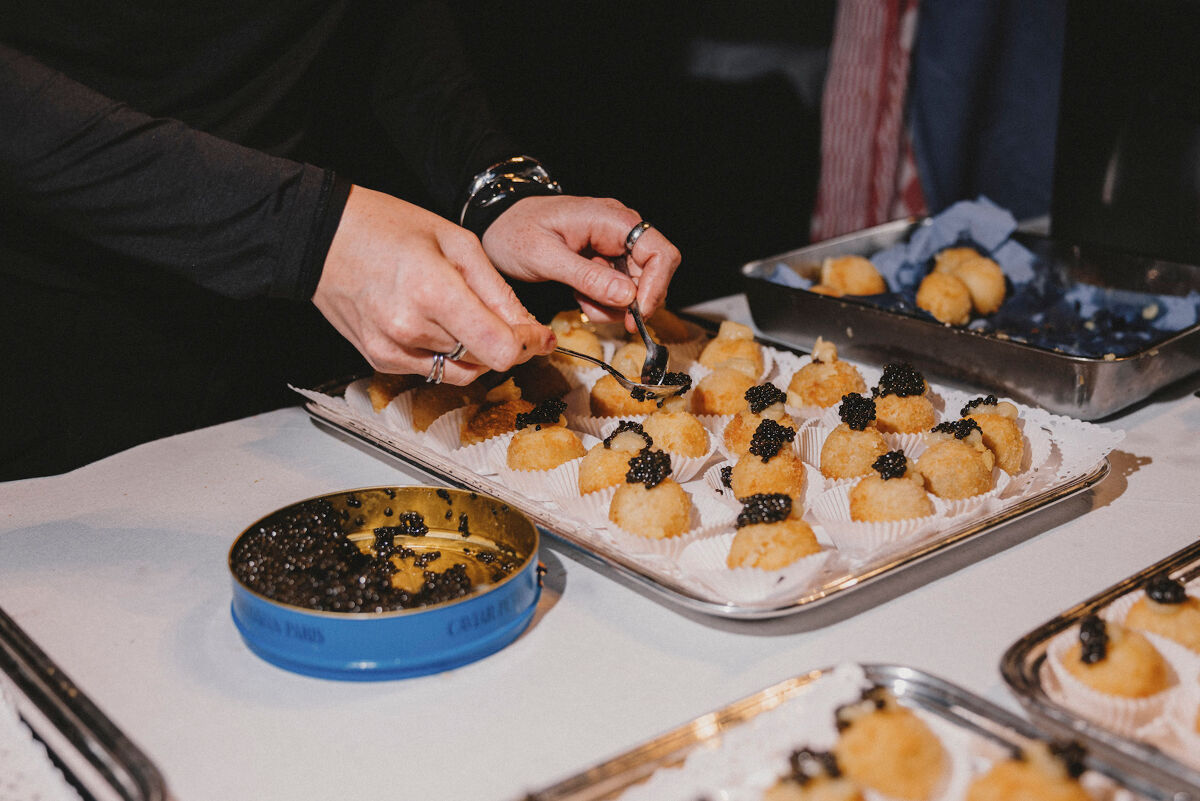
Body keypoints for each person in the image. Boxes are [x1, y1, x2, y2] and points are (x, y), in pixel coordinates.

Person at [0, 1, 681, 478]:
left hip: (298, 315)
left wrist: (495, 183)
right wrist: (305, 228)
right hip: (61, 335)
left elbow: (367, 19)